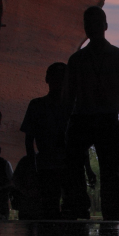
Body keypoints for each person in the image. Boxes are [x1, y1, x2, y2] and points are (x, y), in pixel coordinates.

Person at [64, 6, 119, 219]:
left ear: (104, 26)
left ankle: (81, 211)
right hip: (103, 120)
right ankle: (108, 215)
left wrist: (64, 127)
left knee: (84, 170)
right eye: (89, 24)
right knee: (108, 172)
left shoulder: (77, 59)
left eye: (93, 24)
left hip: (85, 120)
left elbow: (68, 100)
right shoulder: (118, 56)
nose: (91, 28)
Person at [20, 62, 70, 219]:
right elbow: (29, 140)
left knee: (53, 207)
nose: (58, 82)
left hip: (55, 164)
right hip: (55, 164)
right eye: (56, 78)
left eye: (61, 78)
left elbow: (29, 140)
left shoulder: (38, 105)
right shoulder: (71, 106)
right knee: (56, 207)